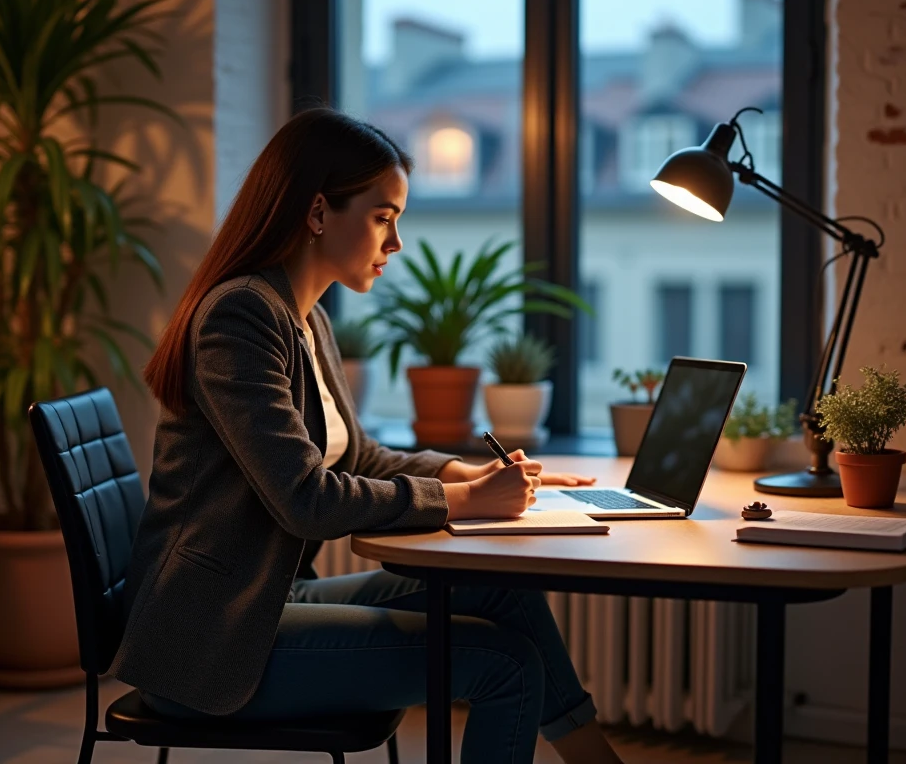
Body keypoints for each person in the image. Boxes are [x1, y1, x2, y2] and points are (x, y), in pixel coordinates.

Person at [118, 107, 625, 764]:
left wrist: (462, 476)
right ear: (319, 212)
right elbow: (307, 498)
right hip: (211, 637)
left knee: (505, 592)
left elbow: (356, 456)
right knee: (503, 664)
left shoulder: (307, 320)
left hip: (266, 601)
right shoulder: (240, 316)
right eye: (384, 217)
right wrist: (464, 506)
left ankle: (596, 760)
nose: (397, 244)